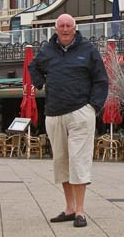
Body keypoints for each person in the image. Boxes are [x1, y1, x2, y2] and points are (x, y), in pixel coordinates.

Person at [29, 13, 108, 228]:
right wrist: (40, 83)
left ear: (75, 28)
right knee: (61, 161)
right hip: (54, 113)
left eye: (68, 25)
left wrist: (93, 107)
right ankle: (70, 208)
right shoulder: (47, 50)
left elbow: (101, 80)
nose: (65, 29)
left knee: (78, 160)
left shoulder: (88, 50)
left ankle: (81, 211)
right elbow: (32, 67)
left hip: (80, 112)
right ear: (56, 29)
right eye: (61, 25)